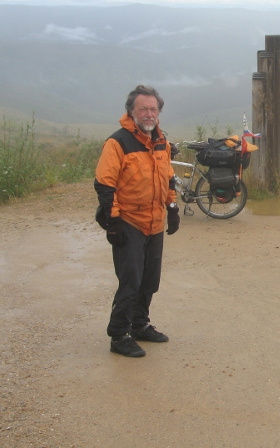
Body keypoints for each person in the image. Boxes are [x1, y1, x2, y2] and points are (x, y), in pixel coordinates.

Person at [94, 85, 180, 357]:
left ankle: (140, 325)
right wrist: (114, 222)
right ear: (131, 111)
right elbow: (104, 185)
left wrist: (173, 207)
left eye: (153, 109)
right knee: (130, 281)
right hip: (129, 222)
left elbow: (167, 177)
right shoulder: (117, 143)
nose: (149, 114)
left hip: (155, 222)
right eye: (143, 109)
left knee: (149, 280)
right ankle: (119, 335)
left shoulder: (161, 142)